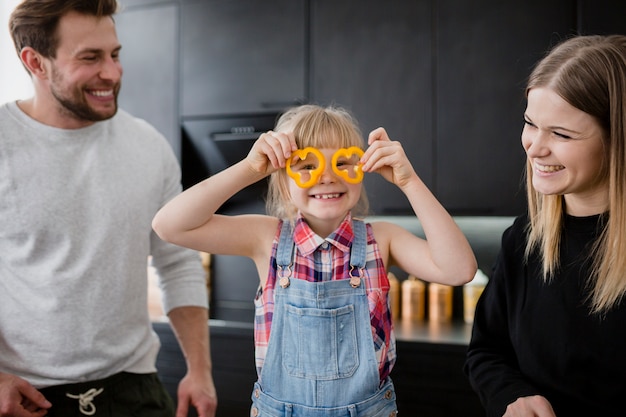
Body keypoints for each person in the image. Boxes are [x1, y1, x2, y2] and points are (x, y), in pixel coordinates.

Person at [152, 104, 477, 416]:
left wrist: (410, 181)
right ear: (283, 178)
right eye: (308, 165)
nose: (326, 177)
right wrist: (249, 168)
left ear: (361, 170)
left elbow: (459, 269)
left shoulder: (383, 238)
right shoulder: (266, 238)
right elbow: (169, 225)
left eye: (341, 163)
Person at [0, 1, 217, 416]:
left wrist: (200, 369)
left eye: (115, 54)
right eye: (90, 58)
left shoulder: (148, 146)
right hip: (26, 396)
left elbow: (178, 263)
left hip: (134, 389)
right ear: (36, 62)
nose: (112, 73)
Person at [464, 34, 626, 417]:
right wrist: (511, 395)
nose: (534, 146)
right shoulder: (524, 239)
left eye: (561, 134)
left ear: (616, 140)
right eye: (530, 124)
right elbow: (486, 352)